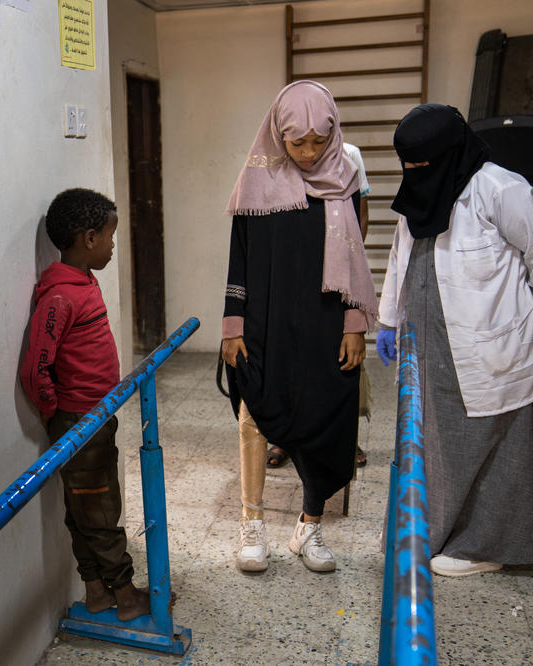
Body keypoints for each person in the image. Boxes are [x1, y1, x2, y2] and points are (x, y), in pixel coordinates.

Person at [375, 104, 533, 577]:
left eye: (422, 164)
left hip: (492, 341)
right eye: (409, 165)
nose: (415, 173)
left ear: (449, 152)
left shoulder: (499, 189)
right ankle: (429, 534)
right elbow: (401, 254)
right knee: (428, 439)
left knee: (492, 440)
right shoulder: (422, 189)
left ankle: (485, 546)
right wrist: (386, 319)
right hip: (428, 338)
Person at [221, 80, 378, 573]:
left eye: (318, 141)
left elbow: (356, 256)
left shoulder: (345, 178)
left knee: (326, 421)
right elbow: (239, 259)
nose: (309, 153)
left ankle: (310, 526)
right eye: (298, 143)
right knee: (255, 413)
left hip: (326, 322)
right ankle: (252, 525)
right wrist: (232, 325)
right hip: (266, 321)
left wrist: (356, 323)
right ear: (278, 134)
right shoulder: (255, 181)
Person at [19, 188, 150, 618]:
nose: (113, 246)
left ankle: (95, 590)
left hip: (94, 415)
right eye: (110, 238)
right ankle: (126, 595)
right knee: (101, 510)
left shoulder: (81, 281)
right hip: (80, 421)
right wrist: (57, 409)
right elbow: (35, 368)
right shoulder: (60, 295)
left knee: (82, 508)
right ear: (88, 239)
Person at [267, 141, 372, 469]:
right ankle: (284, 438)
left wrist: (346, 261)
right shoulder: (274, 160)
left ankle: (346, 439)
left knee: (341, 357)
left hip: (335, 270)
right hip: (293, 275)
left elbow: (360, 215)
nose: (308, 148)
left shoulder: (349, 154)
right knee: (289, 358)